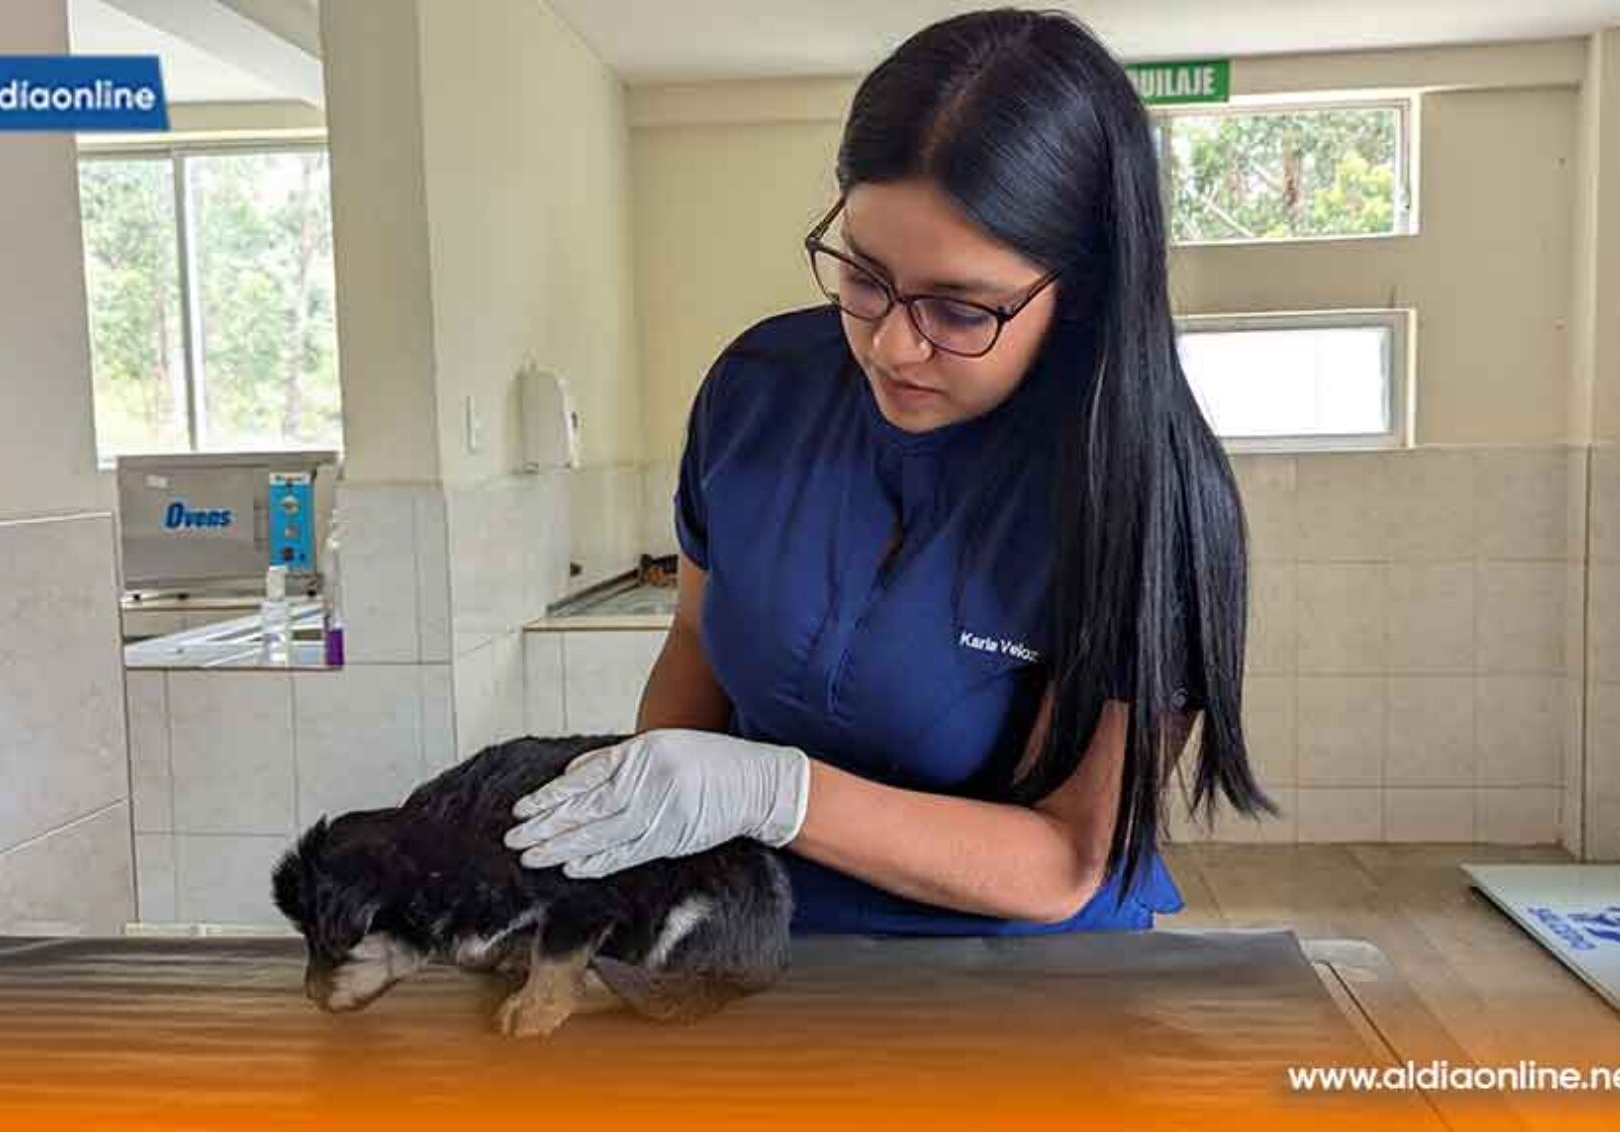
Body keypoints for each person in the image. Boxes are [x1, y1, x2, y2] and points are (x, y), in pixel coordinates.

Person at [504, 7, 1273, 935]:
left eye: (959, 309)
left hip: (1020, 984)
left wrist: (780, 794)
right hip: (747, 942)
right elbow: (700, 640)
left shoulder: (1146, 494)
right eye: (864, 277)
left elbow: (1069, 858)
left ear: (1082, 293)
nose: (892, 346)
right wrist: (652, 833)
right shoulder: (758, 393)